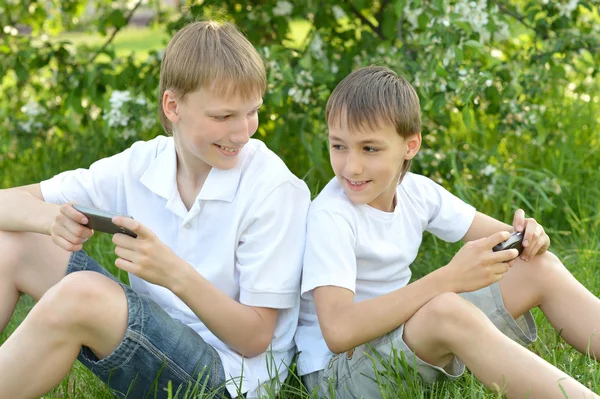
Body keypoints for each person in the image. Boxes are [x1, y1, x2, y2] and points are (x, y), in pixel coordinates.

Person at [0, 20, 310, 399]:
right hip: (153, 336)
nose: (243, 133)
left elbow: (255, 337)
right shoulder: (143, 163)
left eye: (252, 112)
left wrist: (172, 273)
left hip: (231, 377)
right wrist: (49, 218)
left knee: (81, 292)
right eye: (223, 116)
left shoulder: (273, 188)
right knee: (14, 242)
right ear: (173, 105)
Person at [295, 66, 600, 399]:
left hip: (397, 341)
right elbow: (338, 331)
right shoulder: (332, 215)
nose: (351, 166)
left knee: (539, 266)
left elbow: (504, 240)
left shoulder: (417, 192)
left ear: (410, 146)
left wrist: (531, 236)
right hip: (338, 375)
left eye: (370, 149)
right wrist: (448, 279)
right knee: (445, 309)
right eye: (339, 146)